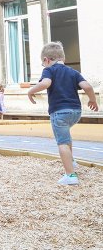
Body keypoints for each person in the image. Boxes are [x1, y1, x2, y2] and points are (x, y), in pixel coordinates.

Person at [28, 42, 99, 186]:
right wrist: (93, 100)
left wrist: (30, 91)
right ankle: (71, 161)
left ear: (47, 60)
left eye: (43, 63)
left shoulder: (49, 70)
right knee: (66, 137)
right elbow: (87, 86)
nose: (44, 66)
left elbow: (46, 83)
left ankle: (70, 175)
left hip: (59, 112)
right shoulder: (73, 72)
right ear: (63, 58)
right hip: (75, 112)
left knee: (62, 143)